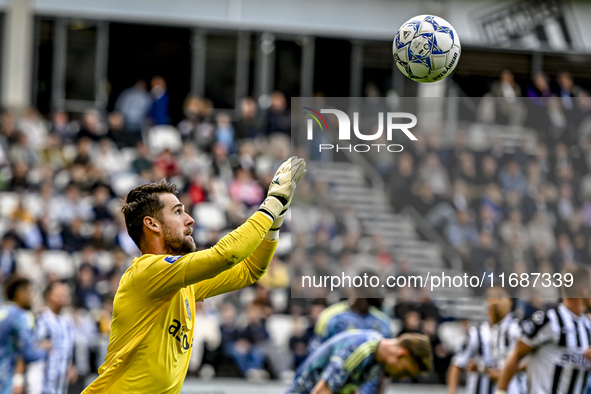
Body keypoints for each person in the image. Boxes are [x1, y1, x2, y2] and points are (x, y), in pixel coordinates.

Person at [82, 156, 306, 393]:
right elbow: (226, 255)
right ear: (152, 224)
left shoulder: (182, 283)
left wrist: (276, 220)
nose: (190, 220)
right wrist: (272, 202)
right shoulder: (145, 272)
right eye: (178, 212)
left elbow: (249, 270)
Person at [497, 266, 591, 394]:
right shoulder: (548, 320)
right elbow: (515, 355)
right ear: (583, 291)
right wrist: (501, 391)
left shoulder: (588, 327)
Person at [285, 330, 432, 394]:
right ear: (401, 354)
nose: (402, 377)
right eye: (405, 371)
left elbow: (347, 389)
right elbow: (321, 392)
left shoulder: (377, 358)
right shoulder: (359, 350)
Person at [447, 286, 525, 394]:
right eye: (492, 298)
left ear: (509, 302)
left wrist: (499, 372)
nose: (495, 302)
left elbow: (527, 363)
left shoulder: (518, 329)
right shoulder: (476, 333)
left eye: (499, 298)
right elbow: (457, 363)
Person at [0, 277, 50, 394]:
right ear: (21, 293)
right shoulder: (21, 316)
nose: (32, 297)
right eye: (30, 292)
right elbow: (28, 353)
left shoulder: (2, 310)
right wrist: (44, 350)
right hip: (4, 376)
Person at [26, 281, 77, 394]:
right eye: (59, 293)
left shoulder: (67, 321)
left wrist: (71, 364)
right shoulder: (41, 318)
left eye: (65, 293)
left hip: (60, 384)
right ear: (48, 295)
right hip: (40, 382)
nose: (63, 296)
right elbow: (31, 348)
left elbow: (69, 348)